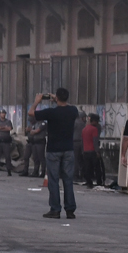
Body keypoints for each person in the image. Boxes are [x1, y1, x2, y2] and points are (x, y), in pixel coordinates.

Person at [31, 88, 82, 219]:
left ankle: (55, 209)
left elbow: (31, 114)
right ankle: (70, 210)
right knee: (68, 180)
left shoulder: (51, 113)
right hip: (68, 149)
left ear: (57, 98)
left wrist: (36, 102)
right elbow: (70, 107)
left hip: (53, 149)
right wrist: (58, 98)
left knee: (53, 180)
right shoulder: (72, 111)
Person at [79, 113, 103, 188]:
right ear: (94, 121)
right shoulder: (94, 129)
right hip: (92, 151)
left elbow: (82, 141)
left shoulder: (84, 129)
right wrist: (97, 151)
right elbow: (95, 141)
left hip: (85, 151)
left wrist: (83, 151)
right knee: (97, 168)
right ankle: (99, 182)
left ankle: (89, 182)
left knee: (87, 168)